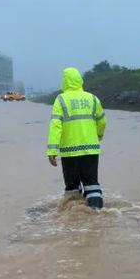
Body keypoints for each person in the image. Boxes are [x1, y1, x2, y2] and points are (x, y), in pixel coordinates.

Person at [46, 67, 107, 209]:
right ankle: (97, 213)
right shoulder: (92, 98)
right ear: (80, 80)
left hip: (69, 151)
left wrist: (52, 151)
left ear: (64, 82)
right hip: (91, 150)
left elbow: (55, 126)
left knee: (72, 187)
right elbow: (102, 121)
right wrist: (98, 136)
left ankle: (73, 219)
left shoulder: (61, 100)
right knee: (92, 184)